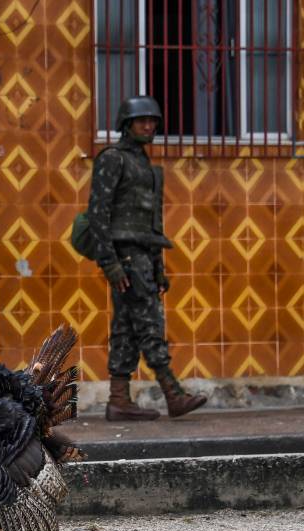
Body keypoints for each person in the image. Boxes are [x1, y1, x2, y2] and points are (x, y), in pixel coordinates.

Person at [87, 96, 207, 422]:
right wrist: (109, 263)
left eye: (153, 121)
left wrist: (158, 267)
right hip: (124, 257)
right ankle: (173, 393)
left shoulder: (147, 167)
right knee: (150, 323)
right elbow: (98, 215)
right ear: (126, 124)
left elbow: (154, 224)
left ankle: (118, 400)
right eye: (142, 121)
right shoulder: (112, 159)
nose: (149, 126)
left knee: (126, 328)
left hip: (143, 257)